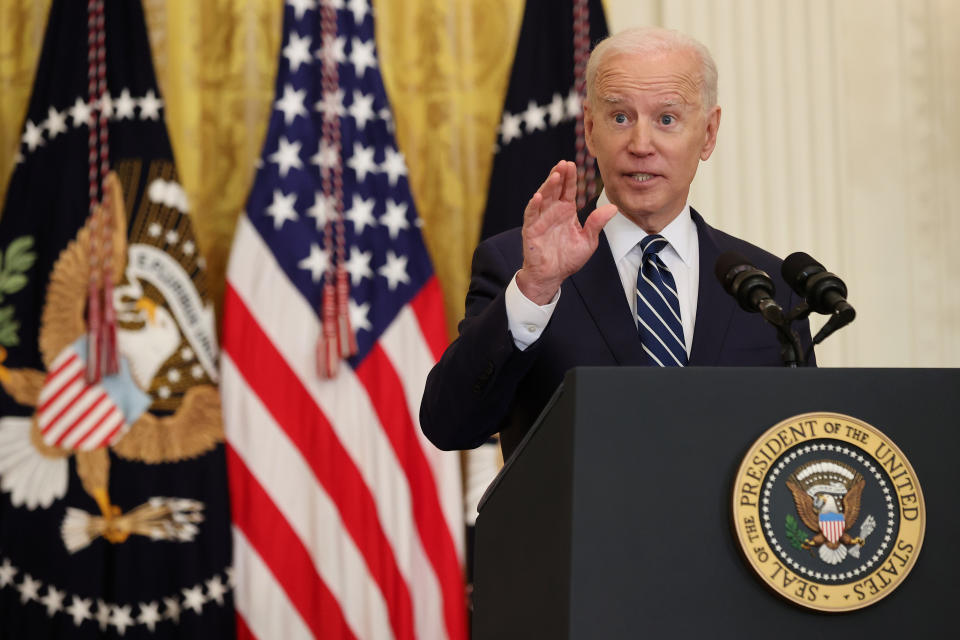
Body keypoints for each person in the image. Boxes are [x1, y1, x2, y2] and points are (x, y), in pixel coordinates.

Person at [420, 27, 813, 459]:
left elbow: (801, 450)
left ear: (709, 132)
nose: (640, 145)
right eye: (620, 117)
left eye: (666, 119)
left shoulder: (768, 285)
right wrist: (535, 291)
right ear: (590, 128)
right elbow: (450, 424)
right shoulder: (519, 267)